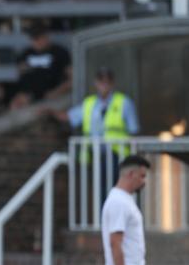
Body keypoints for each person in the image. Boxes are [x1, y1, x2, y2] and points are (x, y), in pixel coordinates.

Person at [50, 67, 139, 203]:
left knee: (117, 191)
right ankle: (104, 219)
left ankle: (114, 219)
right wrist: (47, 110)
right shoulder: (89, 103)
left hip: (117, 154)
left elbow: (134, 130)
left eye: (107, 81)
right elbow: (69, 117)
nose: (104, 85)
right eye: (101, 81)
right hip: (95, 154)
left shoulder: (123, 102)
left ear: (112, 83)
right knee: (101, 190)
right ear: (96, 83)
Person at [9, 24, 71, 110]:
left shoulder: (60, 53)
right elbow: (20, 78)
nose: (36, 41)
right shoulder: (25, 55)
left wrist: (58, 91)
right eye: (33, 38)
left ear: (46, 36)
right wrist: (22, 95)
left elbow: (72, 79)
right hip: (30, 98)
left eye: (38, 38)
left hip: (54, 97)